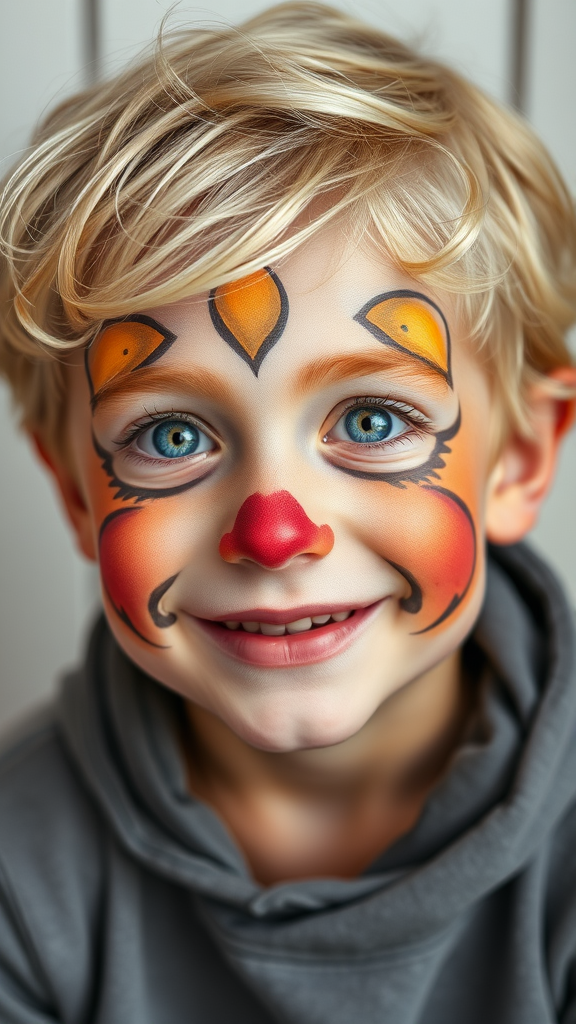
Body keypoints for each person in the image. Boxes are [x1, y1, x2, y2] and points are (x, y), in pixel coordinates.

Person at [0, 3, 575, 1021]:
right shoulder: (19, 865)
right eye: (171, 437)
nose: (273, 532)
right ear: (75, 490)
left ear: (521, 459)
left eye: (370, 416)